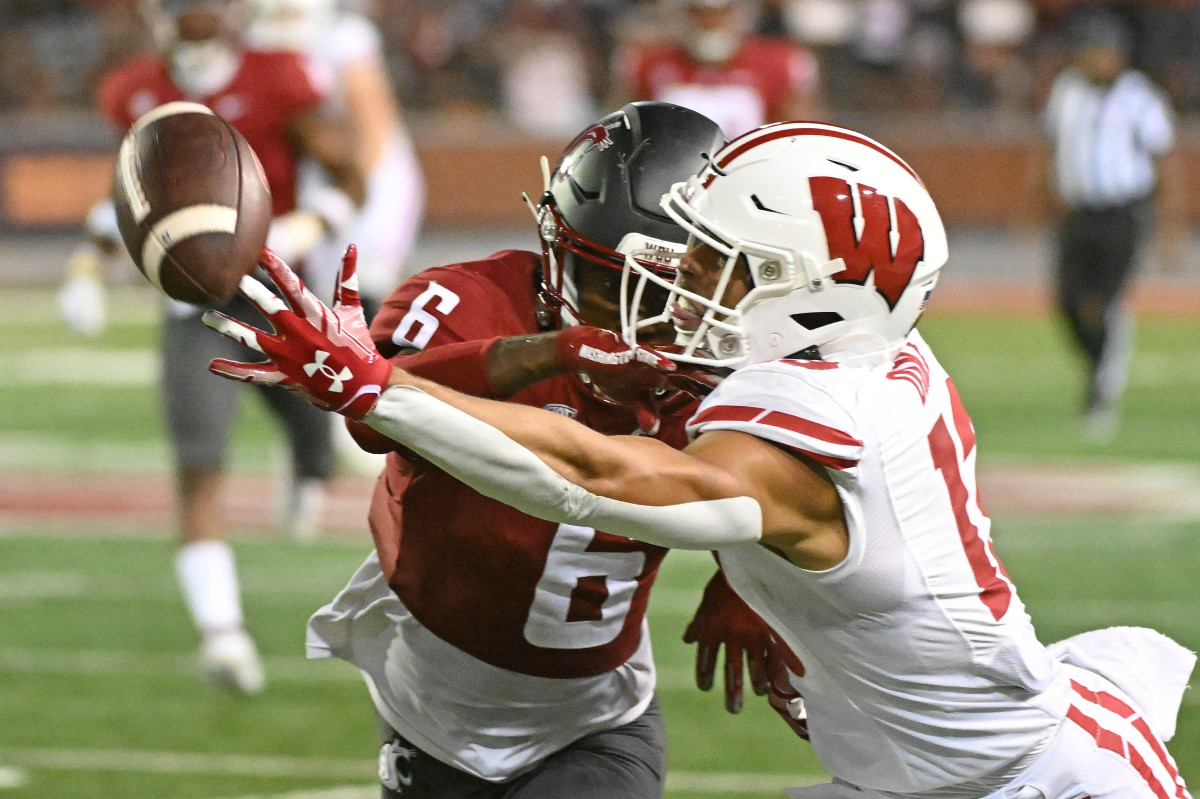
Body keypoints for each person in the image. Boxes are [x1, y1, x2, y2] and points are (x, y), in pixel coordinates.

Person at [207, 120, 1194, 797]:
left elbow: (601, 476)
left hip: (1026, 782)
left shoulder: (819, 413)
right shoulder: (864, 345)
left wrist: (383, 387)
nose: (684, 281)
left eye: (724, 263)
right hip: (917, 771)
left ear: (813, 295)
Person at [216, 101, 753, 797]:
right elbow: (376, 417)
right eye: (606, 283)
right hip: (431, 712)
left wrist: (742, 579)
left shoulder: (711, 353)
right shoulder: (460, 301)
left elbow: (762, 478)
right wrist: (552, 350)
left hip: (596, 718)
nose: (636, 314)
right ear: (557, 248)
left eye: (664, 290)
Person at [58, 0, 364, 695]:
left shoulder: (280, 76)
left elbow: (353, 174)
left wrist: (305, 224)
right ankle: (222, 634)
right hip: (190, 302)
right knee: (199, 467)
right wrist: (86, 265)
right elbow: (133, 200)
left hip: (277, 292)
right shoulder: (134, 88)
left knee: (319, 440)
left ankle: (309, 467)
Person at [1033, 9, 1180, 440]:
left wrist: (1172, 226)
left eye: (1104, 51)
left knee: (1110, 301)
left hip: (1122, 212)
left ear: (1119, 55)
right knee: (1067, 301)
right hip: (1078, 212)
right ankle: (1098, 365)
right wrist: (1036, 204)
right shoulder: (1066, 91)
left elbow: (1165, 161)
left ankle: (1101, 391)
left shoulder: (1140, 96)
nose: (1097, 59)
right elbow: (1048, 148)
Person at [246, 0, 426, 315]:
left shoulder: (343, 38)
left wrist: (348, 203)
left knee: (364, 295)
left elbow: (373, 130)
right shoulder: (257, 42)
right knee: (321, 302)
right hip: (319, 178)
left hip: (367, 178)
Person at [614, 0, 821, 137]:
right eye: (699, 13)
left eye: (721, 13)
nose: (711, 23)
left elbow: (798, 136)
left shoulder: (779, 61)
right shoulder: (646, 61)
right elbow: (621, 131)